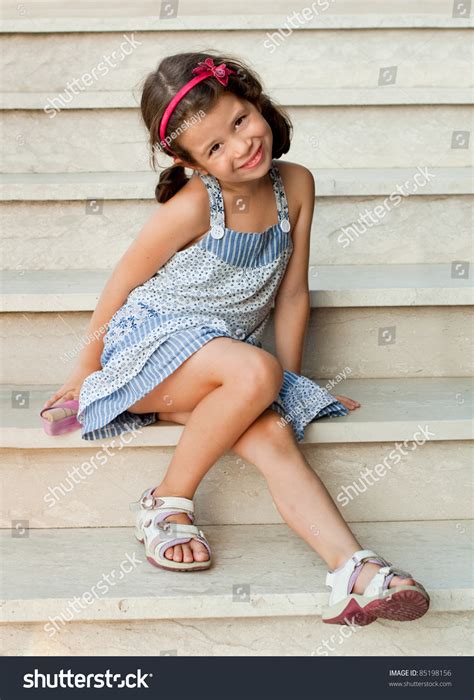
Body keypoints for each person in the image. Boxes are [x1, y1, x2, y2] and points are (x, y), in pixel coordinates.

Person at [41, 52, 429, 625]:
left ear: (256, 102)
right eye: (214, 148)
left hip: (223, 364)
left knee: (270, 425)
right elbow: (121, 284)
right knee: (254, 373)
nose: (241, 147)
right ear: (192, 163)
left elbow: (292, 294)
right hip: (148, 350)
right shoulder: (197, 204)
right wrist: (82, 373)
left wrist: (290, 381)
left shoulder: (296, 184)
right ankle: (166, 504)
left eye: (241, 121)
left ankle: (355, 572)